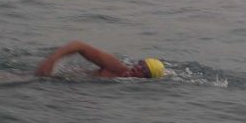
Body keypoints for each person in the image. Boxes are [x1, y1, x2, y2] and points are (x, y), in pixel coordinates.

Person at [35, 40, 164, 78]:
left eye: (144, 70)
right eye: (141, 64)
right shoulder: (115, 66)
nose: (138, 68)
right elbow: (78, 45)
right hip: (56, 77)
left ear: (147, 78)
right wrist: (52, 60)